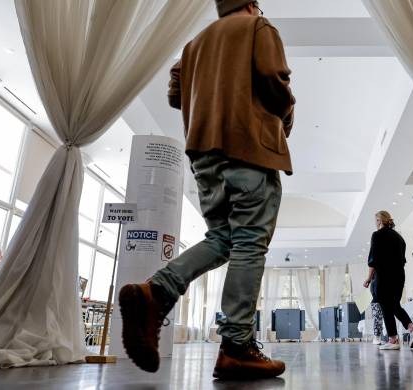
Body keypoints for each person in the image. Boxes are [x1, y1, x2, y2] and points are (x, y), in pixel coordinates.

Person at [118, 0, 295, 379]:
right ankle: (237, 346)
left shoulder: (193, 44)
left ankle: (156, 292)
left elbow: (174, 95)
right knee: (249, 242)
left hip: (203, 154)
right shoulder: (258, 28)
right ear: (251, 4)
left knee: (223, 239)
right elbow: (272, 77)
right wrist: (287, 112)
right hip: (249, 147)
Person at [363, 211, 413, 350]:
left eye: (376, 220)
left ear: (379, 220)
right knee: (394, 304)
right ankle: (411, 327)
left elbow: (373, 261)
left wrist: (368, 279)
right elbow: (403, 260)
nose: (375, 223)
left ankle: (393, 339)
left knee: (385, 306)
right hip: (399, 275)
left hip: (383, 276)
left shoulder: (377, 235)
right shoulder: (399, 238)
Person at [369, 275, 384, 345]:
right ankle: (376, 337)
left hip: (379, 302)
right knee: (377, 320)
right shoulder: (374, 282)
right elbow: (375, 294)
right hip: (376, 303)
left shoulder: (376, 281)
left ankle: (378, 336)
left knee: (380, 321)